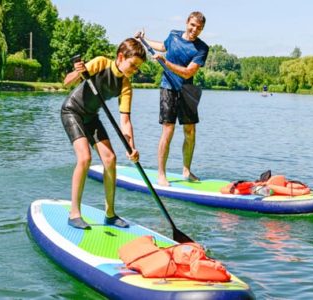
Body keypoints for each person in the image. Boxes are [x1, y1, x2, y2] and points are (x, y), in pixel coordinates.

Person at [61, 38, 146, 229]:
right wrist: (78, 71)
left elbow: (125, 121)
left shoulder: (125, 86)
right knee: (85, 158)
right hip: (72, 111)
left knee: (110, 158)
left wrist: (131, 147)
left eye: (137, 68)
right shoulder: (100, 63)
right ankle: (74, 213)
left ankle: (110, 214)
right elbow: (67, 82)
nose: (134, 71)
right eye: (132, 65)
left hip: (91, 116)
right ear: (121, 57)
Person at [135, 11, 209, 186]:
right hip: (168, 88)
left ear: (202, 29)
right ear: (187, 22)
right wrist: (143, 41)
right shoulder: (174, 35)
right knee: (168, 131)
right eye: (192, 25)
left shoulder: (202, 48)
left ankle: (186, 170)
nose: (194, 30)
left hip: (187, 89)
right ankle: (161, 174)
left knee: (190, 132)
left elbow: (188, 72)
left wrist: (165, 63)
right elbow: (162, 46)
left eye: (199, 28)